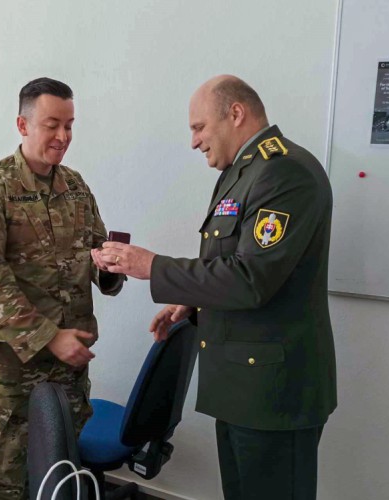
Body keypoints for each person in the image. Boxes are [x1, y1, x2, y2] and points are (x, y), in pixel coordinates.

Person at [100, 75, 337, 500]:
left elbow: (251, 279)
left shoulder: (284, 172)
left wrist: (152, 266)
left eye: (199, 127)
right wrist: (191, 304)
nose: (194, 142)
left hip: (272, 394)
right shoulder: (242, 171)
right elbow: (231, 265)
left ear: (236, 113)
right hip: (241, 387)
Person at [0, 77, 124, 499]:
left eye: (69, 125)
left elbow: (95, 250)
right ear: (23, 125)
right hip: (12, 370)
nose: (63, 136)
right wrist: (48, 336)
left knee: (58, 476)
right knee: (1, 480)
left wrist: (111, 267)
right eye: (52, 125)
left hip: (69, 366)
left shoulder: (75, 187)